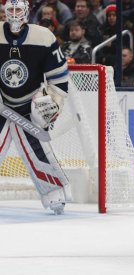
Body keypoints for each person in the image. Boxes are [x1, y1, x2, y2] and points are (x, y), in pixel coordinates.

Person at [0, 0, 72, 214]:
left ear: (26, 12)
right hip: (2, 103)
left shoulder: (43, 36)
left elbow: (58, 77)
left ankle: (54, 192)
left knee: (37, 148)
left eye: (17, 10)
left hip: (30, 104)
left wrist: (53, 104)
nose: (13, 14)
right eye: (10, 9)